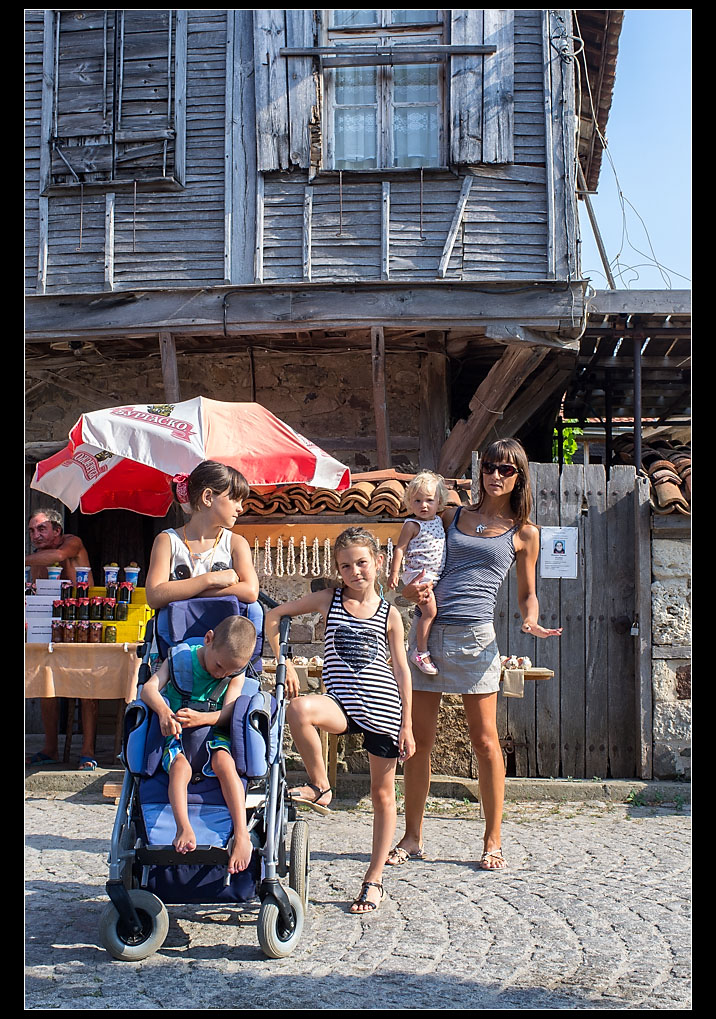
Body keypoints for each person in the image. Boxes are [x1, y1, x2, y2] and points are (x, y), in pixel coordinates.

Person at [387, 438, 562, 872]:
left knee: (485, 742)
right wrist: (406, 592)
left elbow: (527, 594)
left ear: (519, 476)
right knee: (419, 742)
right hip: (429, 634)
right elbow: (416, 557)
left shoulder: (525, 533)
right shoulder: (451, 515)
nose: (495, 475)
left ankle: (492, 839)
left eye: (506, 469)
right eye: (489, 467)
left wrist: (530, 620)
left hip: (476, 639)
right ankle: (412, 837)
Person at [264, 526, 416, 915]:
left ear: (378, 562)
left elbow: (402, 670)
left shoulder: (390, 614)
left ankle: (374, 878)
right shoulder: (328, 599)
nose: (355, 572)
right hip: (340, 704)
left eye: (362, 563)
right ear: (337, 568)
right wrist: (285, 661)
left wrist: (407, 724)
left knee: (382, 795)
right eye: (346, 566)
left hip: (383, 709)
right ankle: (321, 785)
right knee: (298, 710)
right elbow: (275, 615)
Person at [140, 614, 257, 873]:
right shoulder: (180, 659)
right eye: (219, 666)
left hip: (214, 736)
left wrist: (203, 718)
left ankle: (242, 834)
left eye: (229, 671)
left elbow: (229, 711)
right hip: (178, 737)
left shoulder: (234, 673)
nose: (221, 674)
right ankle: (183, 827)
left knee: (225, 763)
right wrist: (163, 712)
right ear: (208, 639)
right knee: (179, 768)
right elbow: (148, 689)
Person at [26, 508, 99, 771]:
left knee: (86, 687)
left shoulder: (71, 543)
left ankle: (87, 751)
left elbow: (58, 556)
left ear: (57, 530)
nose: (35, 535)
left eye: (41, 529)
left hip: (80, 622)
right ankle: (50, 748)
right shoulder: (36, 559)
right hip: (48, 626)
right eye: (32, 530)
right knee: (46, 686)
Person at [145, 460, 259, 611]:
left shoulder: (236, 543)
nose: (240, 508)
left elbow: (250, 591)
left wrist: (186, 592)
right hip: (177, 626)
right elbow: (154, 596)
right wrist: (210, 579)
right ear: (208, 497)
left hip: (222, 626)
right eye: (235, 499)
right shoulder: (168, 541)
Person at [388, 470, 448, 676]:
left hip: (433, 575)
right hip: (418, 575)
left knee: (427, 612)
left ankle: (422, 648)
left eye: (429, 500)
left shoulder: (439, 521)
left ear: (439, 501)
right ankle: (420, 652)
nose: (424, 505)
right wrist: (394, 573)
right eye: (417, 501)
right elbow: (400, 549)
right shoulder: (412, 525)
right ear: (410, 503)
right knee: (430, 613)